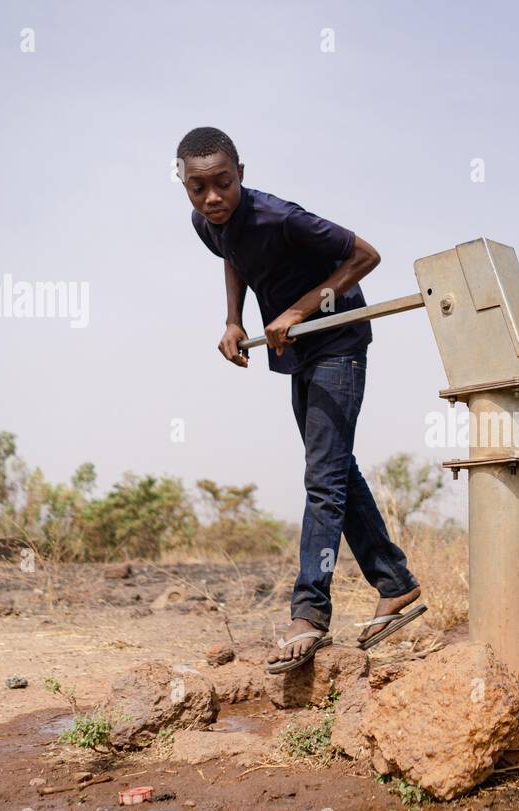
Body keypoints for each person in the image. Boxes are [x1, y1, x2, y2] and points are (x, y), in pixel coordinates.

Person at [176, 127, 425, 673]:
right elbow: (232, 255)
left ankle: (309, 612)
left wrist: (298, 311)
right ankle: (395, 583)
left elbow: (365, 255)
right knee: (334, 468)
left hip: (339, 342)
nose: (213, 197)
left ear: (241, 172)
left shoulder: (280, 216)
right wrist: (233, 320)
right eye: (199, 188)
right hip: (300, 352)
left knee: (322, 479)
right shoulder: (208, 223)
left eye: (223, 183)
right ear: (183, 183)